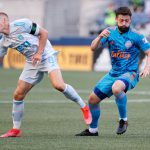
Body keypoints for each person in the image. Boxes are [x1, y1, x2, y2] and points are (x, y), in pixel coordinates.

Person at [0, 12, 92, 138]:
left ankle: (84, 107)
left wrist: (39, 53)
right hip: (32, 62)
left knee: (58, 85)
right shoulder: (3, 41)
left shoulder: (22, 24)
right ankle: (15, 130)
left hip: (46, 55)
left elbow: (44, 33)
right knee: (18, 94)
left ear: (4, 20)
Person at [76, 6, 150, 136]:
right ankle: (93, 130)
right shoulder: (109, 32)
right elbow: (93, 48)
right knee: (92, 100)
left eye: (127, 20)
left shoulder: (137, 36)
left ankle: (123, 120)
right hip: (113, 73)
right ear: (116, 19)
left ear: (130, 20)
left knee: (117, 88)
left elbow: (149, 52)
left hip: (130, 73)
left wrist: (147, 68)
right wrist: (99, 36)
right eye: (121, 20)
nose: (124, 23)